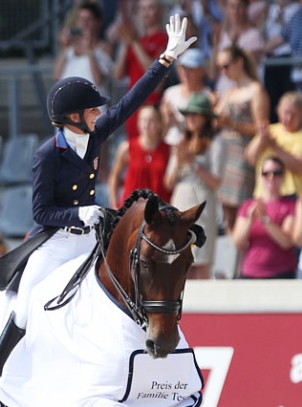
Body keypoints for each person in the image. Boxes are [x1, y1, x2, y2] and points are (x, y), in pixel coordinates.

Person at [0, 13, 197, 407]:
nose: (100, 113)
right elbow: (41, 213)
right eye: (92, 109)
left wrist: (165, 60)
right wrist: (77, 213)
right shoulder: (47, 154)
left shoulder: (95, 134)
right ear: (73, 117)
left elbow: (131, 102)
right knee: (23, 310)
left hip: (90, 238)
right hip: (56, 240)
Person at [164, 92, 223, 279]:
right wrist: (180, 163)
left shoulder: (216, 142)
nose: (190, 118)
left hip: (202, 202)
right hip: (180, 201)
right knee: (180, 259)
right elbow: (168, 182)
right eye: (188, 114)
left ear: (205, 117)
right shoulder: (181, 142)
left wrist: (193, 164)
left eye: (195, 114)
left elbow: (216, 181)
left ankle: (204, 306)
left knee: (202, 259)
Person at [214, 44, 270, 233]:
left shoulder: (256, 90)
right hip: (226, 156)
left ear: (239, 63)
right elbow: (216, 120)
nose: (223, 71)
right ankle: (233, 256)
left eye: (226, 66)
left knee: (242, 210)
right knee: (227, 211)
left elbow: (261, 127)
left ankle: (241, 259)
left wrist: (232, 124)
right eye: (220, 67)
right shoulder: (230, 92)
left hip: (243, 156)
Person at [232, 156, 297, 279]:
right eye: (266, 173)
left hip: (281, 272)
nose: (271, 177)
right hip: (250, 272)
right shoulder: (248, 205)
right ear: (260, 176)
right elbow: (237, 243)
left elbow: (287, 242)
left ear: (283, 176)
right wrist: (250, 221)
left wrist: (265, 219)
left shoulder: (290, 205)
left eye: (276, 173)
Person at [112, 0, 169, 139]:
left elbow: (155, 72)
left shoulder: (165, 38)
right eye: (143, 9)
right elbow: (117, 75)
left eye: (150, 8)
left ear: (160, 11)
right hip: (133, 106)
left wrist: (134, 43)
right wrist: (127, 44)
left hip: (153, 106)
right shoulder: (137, 40)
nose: (146, 13)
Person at [107, 105, 171, 209]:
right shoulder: (127, 147)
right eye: (143, 120)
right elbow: (114, 177)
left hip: (159, 213)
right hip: (131, 211)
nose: (146, 124)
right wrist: (114, 206)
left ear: (160, 124)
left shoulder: (169, 150)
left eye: (151, 120)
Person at [53, 0, 114, 106]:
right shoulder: (69, 49)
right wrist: (64, 48)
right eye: (81, 19)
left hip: (95, 110)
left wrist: (90, 52)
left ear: (98, 22)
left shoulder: (104, 47)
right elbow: (57, 76)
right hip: (71, 109)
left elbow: (99, 80)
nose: (84, 24)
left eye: (88, 19)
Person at [245, 91, 302, 200]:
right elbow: (250, 159)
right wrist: (261, 141)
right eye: (286, 113)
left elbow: (298, 166)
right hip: (264, 196)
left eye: (293, 114)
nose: (288, 118)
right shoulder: (269, 131)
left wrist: (275, 147)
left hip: (291, 197)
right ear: (279, 111)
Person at [160, 47, 213, 146]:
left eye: (191, 70)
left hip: (195, 151)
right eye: (183, 69)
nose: (186, 74)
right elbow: (161, 129)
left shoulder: (209, 96)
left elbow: (207, 130)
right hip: (170, 148)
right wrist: (166, 120)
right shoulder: (170, 93)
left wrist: (177, 122)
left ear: (201, 71)